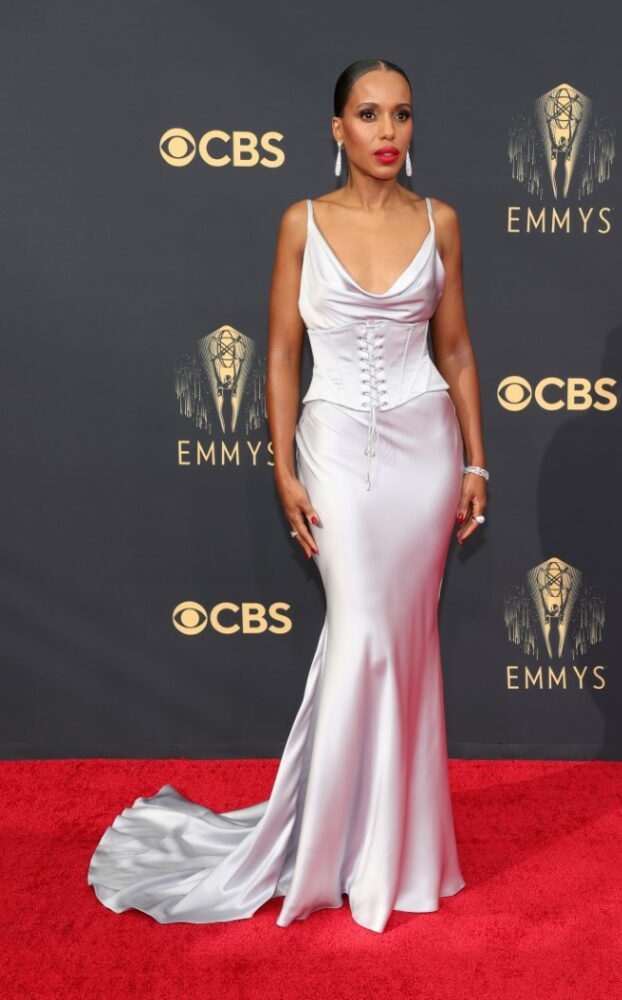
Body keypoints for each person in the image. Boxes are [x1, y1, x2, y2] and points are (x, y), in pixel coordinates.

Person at [86, 57, 488, 934]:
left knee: (405, 642)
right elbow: (277, 353)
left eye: (403, 115)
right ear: (335, 129)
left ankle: (395, 848)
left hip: (425, 450)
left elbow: (455, 352)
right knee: (362, 636)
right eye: (369, 115)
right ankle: (326, 848)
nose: (388, 132)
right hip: (335, 447)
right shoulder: (301, 223)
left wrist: (476, 463)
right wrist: (281, 466)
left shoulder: (441, 222)